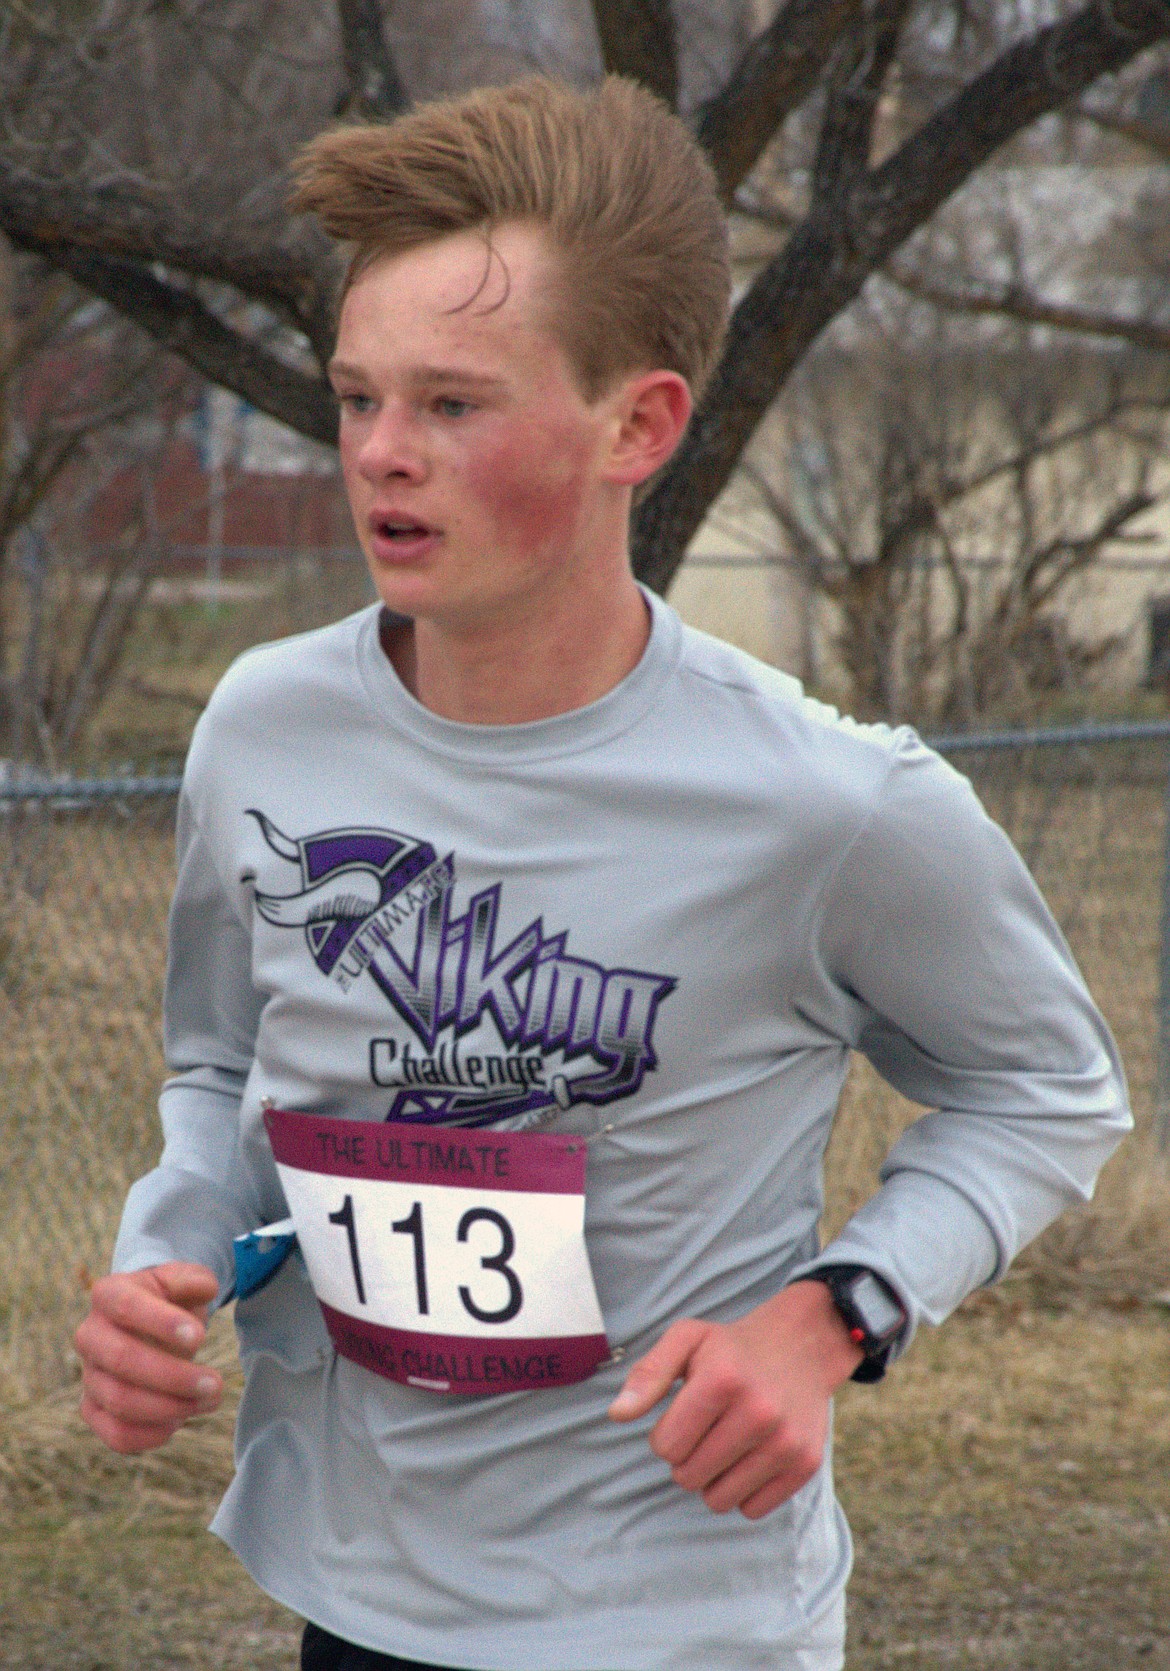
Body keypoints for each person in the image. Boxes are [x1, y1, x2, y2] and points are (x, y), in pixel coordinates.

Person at [74, 76, 1129, 1671]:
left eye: (452, 404)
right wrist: (173, 1253)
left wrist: (838, 1310)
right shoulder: (261, 731)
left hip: (677, 1619)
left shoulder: (827, 804)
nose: (379, 456)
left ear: (636, 424)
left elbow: (1045, 1092)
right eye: (358, 396)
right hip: (347, 1593)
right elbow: (223, 1061)